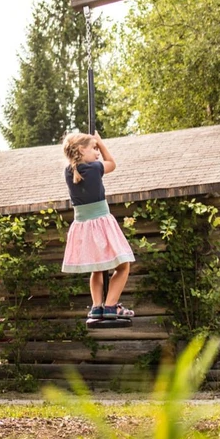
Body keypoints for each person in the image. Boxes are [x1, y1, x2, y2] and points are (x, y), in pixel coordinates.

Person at [61, 132, 136, 323]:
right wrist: (102, 143)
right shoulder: (94, 168)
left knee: (96, 268)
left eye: (97, 149)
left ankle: (96, 307)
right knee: (123, 265)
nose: (97, 153)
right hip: (101, 223)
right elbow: (112, 163)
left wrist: (93, 144)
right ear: (80, 149)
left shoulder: (68, 172)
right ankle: (111, 305)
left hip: (82, 227)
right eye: (93, 149)